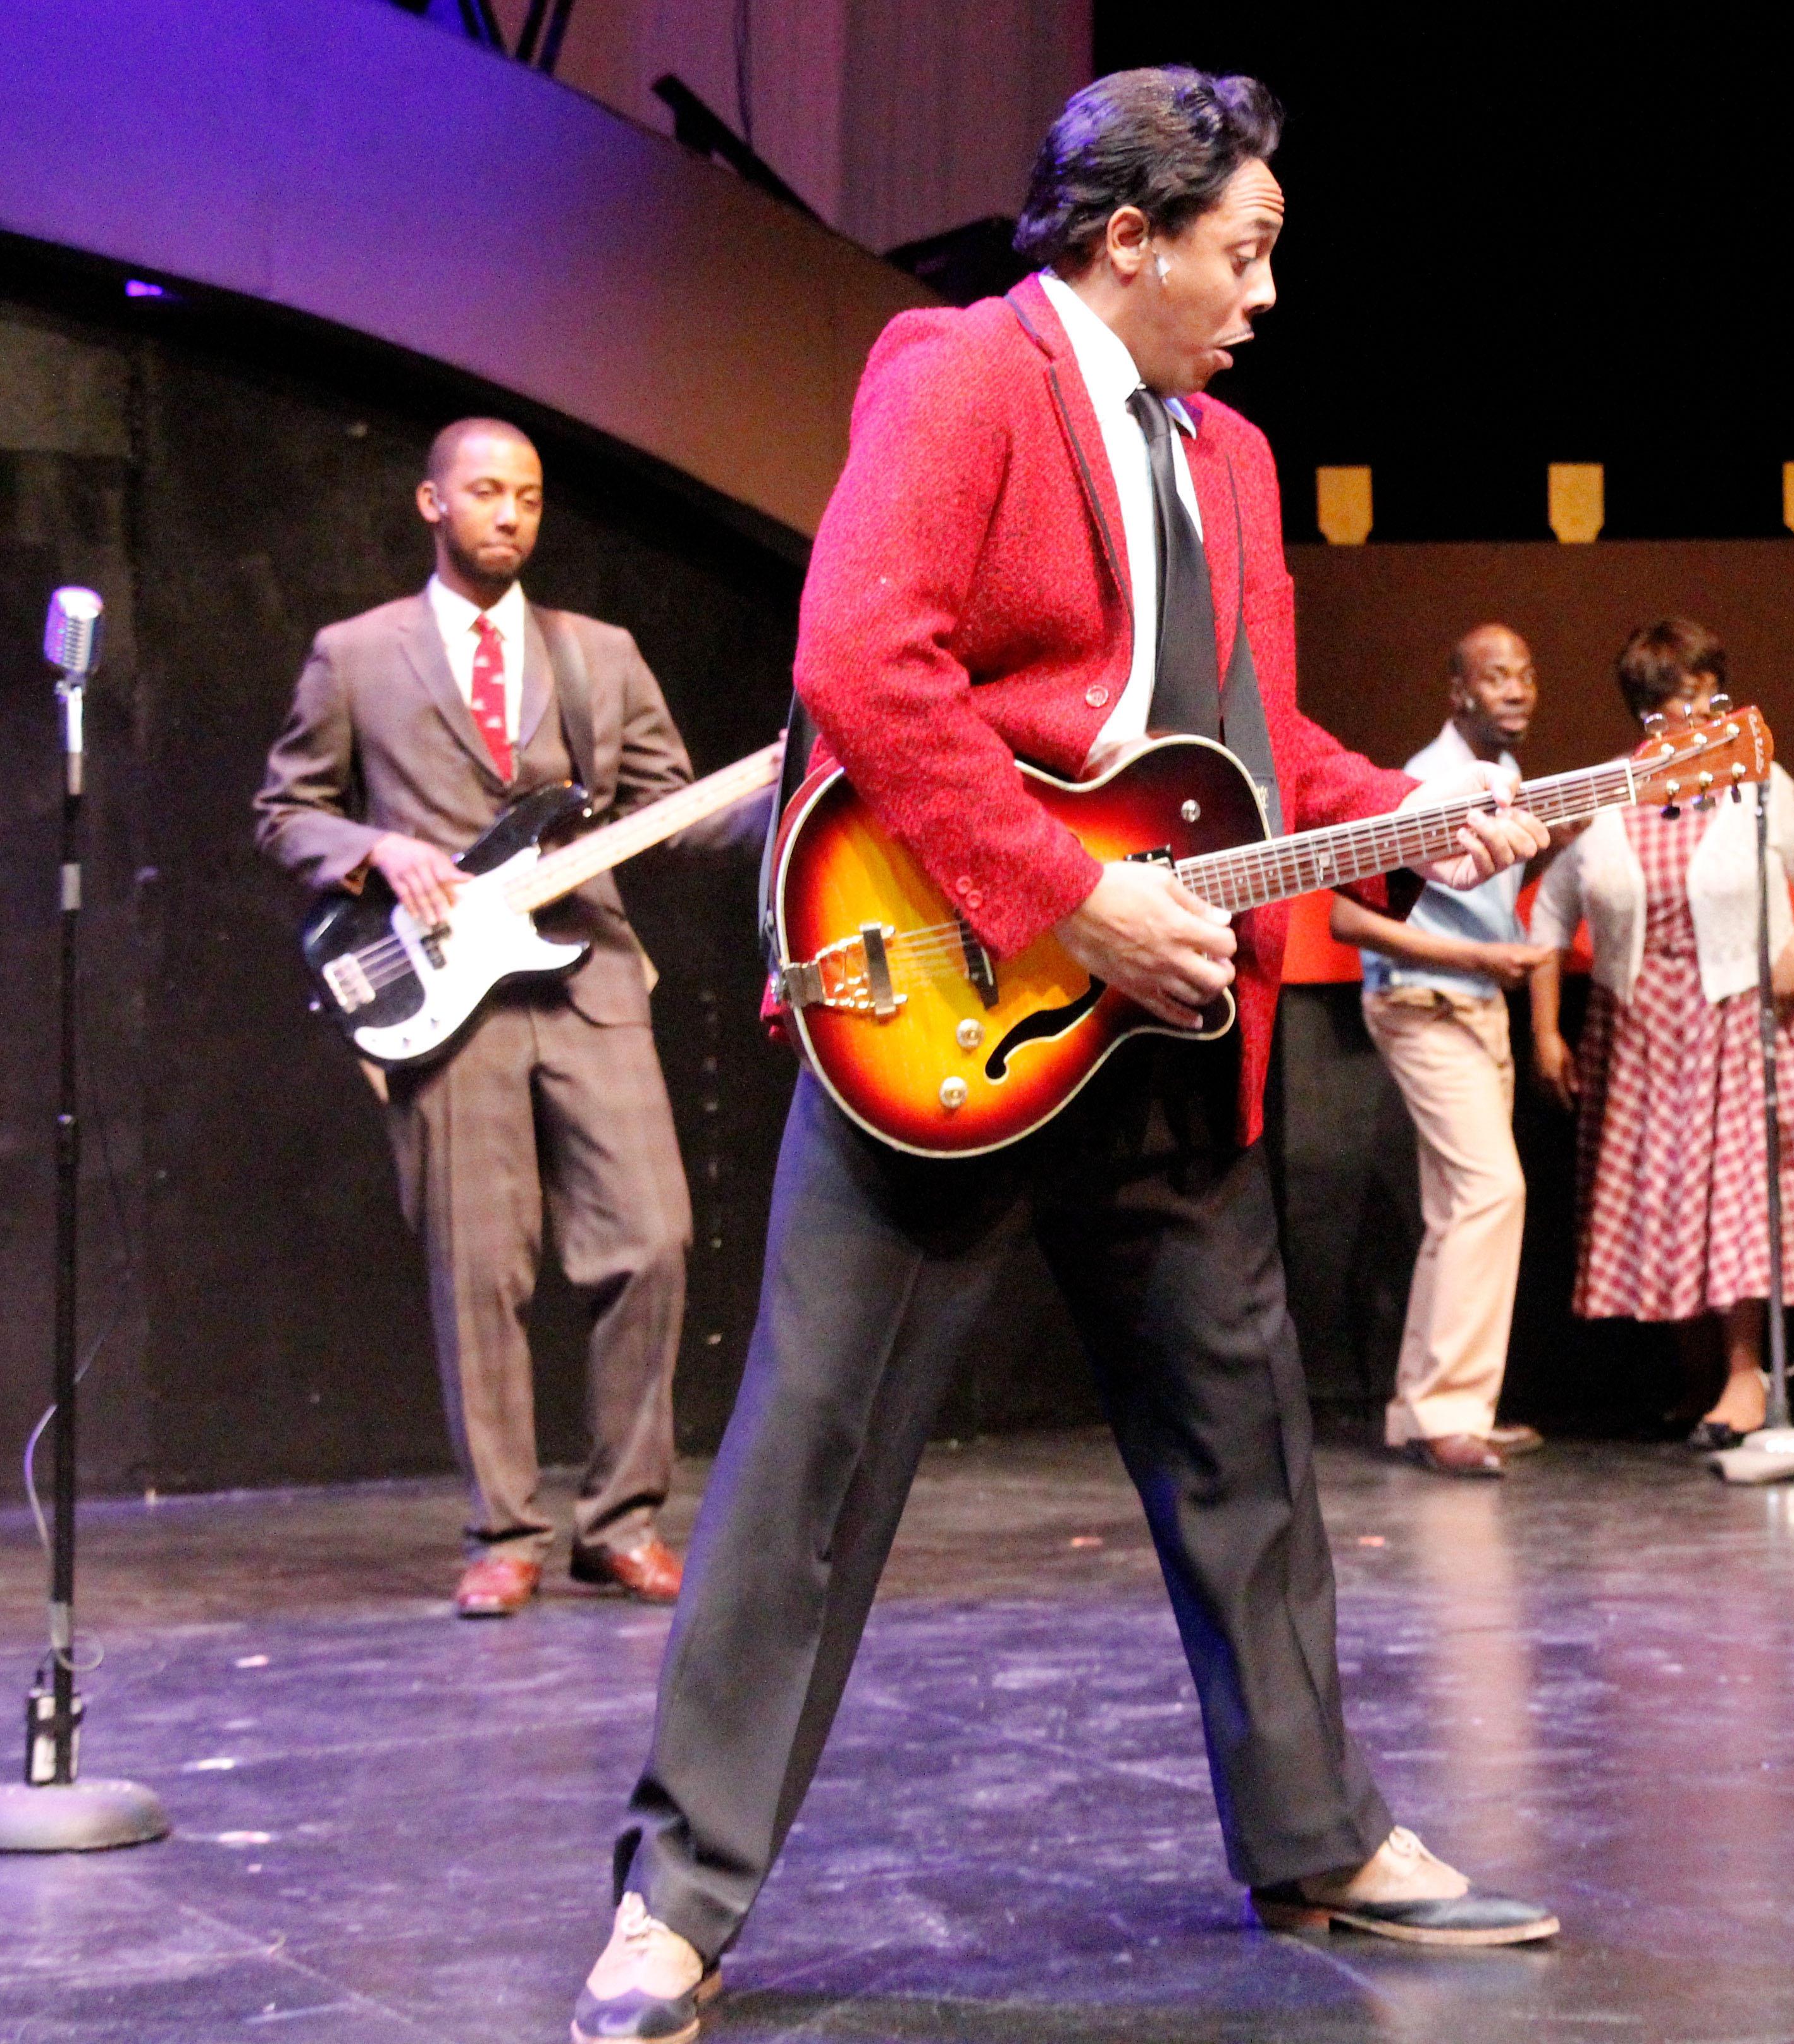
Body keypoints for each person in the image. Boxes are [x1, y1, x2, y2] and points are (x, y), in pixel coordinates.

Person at [574, 68, 1559, 2044]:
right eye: (1247, 250)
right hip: (951, 1007)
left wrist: (1415, 810)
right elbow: (867, 660)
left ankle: (1321, 1835)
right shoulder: (958, 376)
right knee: (812, 1462)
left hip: (1172, 1032)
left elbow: (1244, 750)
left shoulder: (1239, 457)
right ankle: (674, 1904)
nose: (1267, 293)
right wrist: (1052, 891)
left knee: (1247, 1452)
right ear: (1132, 241)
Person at [254, 418, 715, 1619]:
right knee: (479, 1272)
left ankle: (619, 1524)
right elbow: (287, 814)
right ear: (431, 505)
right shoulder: (356, 655)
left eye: (528, 497)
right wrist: (377, 849)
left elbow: (672, 809)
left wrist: (785, 788)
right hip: (447, 997)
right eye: (485, 493)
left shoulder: (597, 653)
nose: (509, 514)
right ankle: (504, 1532)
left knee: (653, 1238)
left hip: (589, 974)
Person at [1526, 619, 1794, 1450]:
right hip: (1637, 1026)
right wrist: (1544, 1034)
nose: (1700, 719)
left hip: (1740, 1014)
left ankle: (1746, 1379)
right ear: (1648, 713)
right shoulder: (1605, 794)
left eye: (1710, 700)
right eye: (1681, 704)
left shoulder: (1756, 781)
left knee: (1738, 1202)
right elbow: (1549, 912)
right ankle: (1699, 1380)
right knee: (1665, 1206)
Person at [1327, 624, 1557, 1479]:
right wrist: (1480, 958)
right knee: (1492, 1189)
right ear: (1457, 691)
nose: (1516, 690)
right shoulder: (1427, 783)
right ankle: (1449, 1411)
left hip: (1477, 1008)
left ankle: (1433, 1408)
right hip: (1422, 1004)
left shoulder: (1506, 780)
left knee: (1460, 1210)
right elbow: (1350, 918)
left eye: (1526, 674)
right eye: (1495, 677)